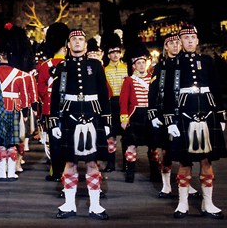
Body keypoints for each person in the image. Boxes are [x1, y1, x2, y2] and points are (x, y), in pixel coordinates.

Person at [161, 25, 227, 219]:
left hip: (207, 111)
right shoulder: (173, 64)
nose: (189, 41)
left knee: (207, 161)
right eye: (186, 38)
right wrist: (170, 120)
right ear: (180, 41)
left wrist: (220, 114)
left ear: (197, 41)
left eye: (193, 38)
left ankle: (209, 203)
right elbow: (168, 95)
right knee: (185, 161)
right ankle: (182, 204)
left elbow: (216, 87)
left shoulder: (206, 61)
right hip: (184, 114)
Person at [50, 29, 111, 220]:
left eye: (81, 39)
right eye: (74, 39)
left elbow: (104, 94)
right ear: (68, 44)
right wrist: (54, 122)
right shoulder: (62, 67)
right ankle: (69, 204)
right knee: (70, 162)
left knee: (93, 162)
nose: (77, 42)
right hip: (70, 116)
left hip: (93, 115)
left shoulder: (96, 65)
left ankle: (95, 205)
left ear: (86, 45)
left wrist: (107, 120)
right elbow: (54, 97)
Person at [0, 23, 37, 182]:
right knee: (12, 143)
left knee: (0, 143)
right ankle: (11, 171)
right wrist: (26, 114)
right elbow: (25, 97)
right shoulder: (21, 75)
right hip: (14, 109)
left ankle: (1, 171)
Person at [148, 32, 201, 199]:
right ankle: (166, 184)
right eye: (171, 43)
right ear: (166, 46)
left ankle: (185, 182)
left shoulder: (186, 63)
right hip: (165, 112)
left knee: (185, 149)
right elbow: (153, 91)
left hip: (185, 111)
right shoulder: (161, 66)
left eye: (178, 43)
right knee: (167, 150)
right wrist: (153, 113)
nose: (175, 46)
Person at [37, 22, 69, 182]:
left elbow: (41, 91)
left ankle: (56, 172)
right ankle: (68, 171)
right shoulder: (71, 64)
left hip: (51, 109)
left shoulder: (44, 66)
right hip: (69, 108)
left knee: (54, 141)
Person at [119, 43, 156, 183]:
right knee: (131, 145)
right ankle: (130, 172)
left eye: (143, 62)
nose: (141, 65)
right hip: (135, 115)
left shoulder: (153, 78)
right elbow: (123, 101)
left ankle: (154, 172)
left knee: (153, 146)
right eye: (138, 63)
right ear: (134, 65)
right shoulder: (129, 80)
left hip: (150, 115)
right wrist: (124, 118)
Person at [103, 32, 127, 173]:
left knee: (126, 136)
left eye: (117, 52)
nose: (115, 55)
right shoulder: (105, 70)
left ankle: (126, 163)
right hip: (111, 103)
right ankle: (111, 163)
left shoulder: (127, 68)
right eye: (112, 52)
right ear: (108, 55)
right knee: (110, 136)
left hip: (124, 104)